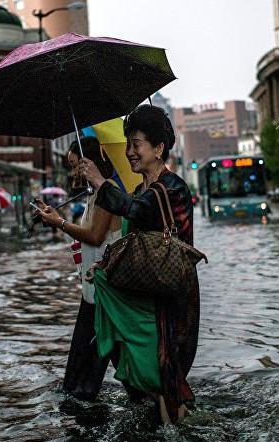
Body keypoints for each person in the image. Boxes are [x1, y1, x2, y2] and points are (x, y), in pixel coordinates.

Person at [78, 104, 199, 424]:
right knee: (148, 377)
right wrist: (104, 266)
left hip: (169, 302)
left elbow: (141, 211)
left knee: (165, 374)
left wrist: (101, 182)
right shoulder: (138, 189)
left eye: (137, 144)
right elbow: (130, 242)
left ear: (159, 149)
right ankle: (169, 438)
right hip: (142, 301)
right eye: (128, 144)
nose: (130, 152)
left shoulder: (172, 188)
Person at [36, 136, 123, 401]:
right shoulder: (94, 194)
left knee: (83, 378)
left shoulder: (107, 190)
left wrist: (59, 222)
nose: (72, 172)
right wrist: (56, 219)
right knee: (84, 371)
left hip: (104, 294)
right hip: (93, 291)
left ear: (88, 163)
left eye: (75, 165)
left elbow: (96, 236)